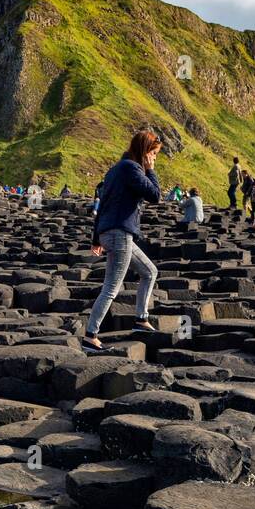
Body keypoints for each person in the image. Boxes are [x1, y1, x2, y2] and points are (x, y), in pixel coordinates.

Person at [83, 130, 162, 349]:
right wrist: (151, 170)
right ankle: (90, 335)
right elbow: (155, 195)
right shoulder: (132, 168)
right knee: (111, 287)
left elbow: (103, 205)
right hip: (119, 234)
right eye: (154, 153)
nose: (155, 158)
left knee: (149, 271)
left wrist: (96, 238)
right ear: (145, 151)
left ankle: (141, 319)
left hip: (111, 233)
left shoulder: (114, 170)